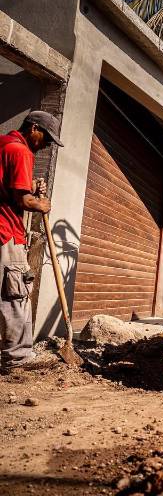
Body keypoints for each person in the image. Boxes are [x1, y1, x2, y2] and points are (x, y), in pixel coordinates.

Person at [0, 111, 59, 371]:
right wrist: (40, 203)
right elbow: (22, 200)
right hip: (5, 232)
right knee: (15, 293)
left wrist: (30, 186)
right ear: (33, 128)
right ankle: (18, 357)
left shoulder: (4, 144)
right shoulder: (21, 152)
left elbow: (8, 186)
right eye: (46, 137)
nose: (47, 144)